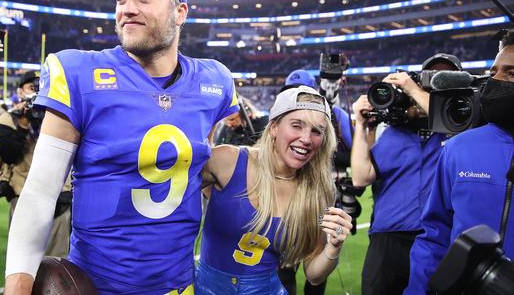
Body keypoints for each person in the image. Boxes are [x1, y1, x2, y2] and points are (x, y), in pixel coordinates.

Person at [4, 0, 239, 294]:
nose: (127, 8)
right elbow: (39, 194)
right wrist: (18, 288)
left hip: (181, 286)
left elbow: (200, 166)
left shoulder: (214, 82)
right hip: (98, 286)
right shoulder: (79, 73)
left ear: (180, 12)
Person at [197, 86, 353, 294]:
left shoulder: (318, 193)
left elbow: (314, 276)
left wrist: (334, 247)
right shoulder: (229, 161)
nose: (306, 139)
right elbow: (168, 184)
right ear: (274, 127)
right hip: (205, 288)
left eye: (317, 131)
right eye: (297, 125)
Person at [405, 31, 514, 294]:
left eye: (510, 73)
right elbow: (434, 236)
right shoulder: (459, 148)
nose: (494, 80)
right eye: (493, 71)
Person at [351, 53, 463, 295]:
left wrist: (412, 89)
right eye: (430, 78)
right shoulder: (392, 131)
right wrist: (361, 126)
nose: (435, 83)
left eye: (444, 79)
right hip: (387, 237)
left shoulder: (459, 129)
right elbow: (360, 177)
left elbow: (448, 119)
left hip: (436, 237)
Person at [278, 69, 356, 295]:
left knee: (316, 270)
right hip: (290, 201)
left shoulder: (336, 115)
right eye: (289, 93)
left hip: (320, 197)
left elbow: (353, 153)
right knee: (284, 270)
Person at [0, 70, 72, 257]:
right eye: (32, 87)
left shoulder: (63, 117)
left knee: (57, 265)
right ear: (21, 91)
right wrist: (23, 122)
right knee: (21, 263)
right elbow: (9, 155)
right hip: (24, 198)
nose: (37, 91)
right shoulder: (7, 119)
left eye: (41, 86)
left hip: (59, 198)